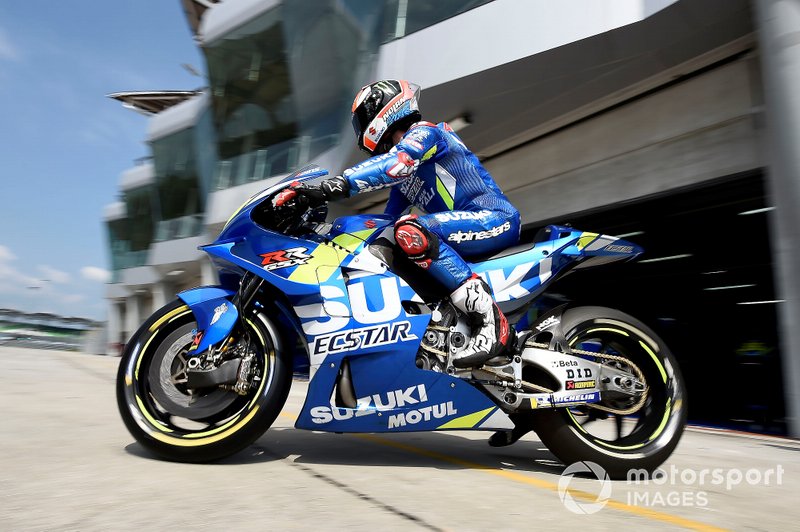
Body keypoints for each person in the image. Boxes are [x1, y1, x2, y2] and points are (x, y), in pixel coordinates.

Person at [274, 79, 521, 368]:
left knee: (413, 228)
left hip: (493, 218)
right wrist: (330, 232)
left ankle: (491, 323)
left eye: (362, 119)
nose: (360, 127)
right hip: (457, 234)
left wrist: (331, 186)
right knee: (387, 240)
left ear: (383, 110)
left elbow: (395, 162)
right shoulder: (406, 180)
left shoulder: (427, 133)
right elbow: (383, 224)